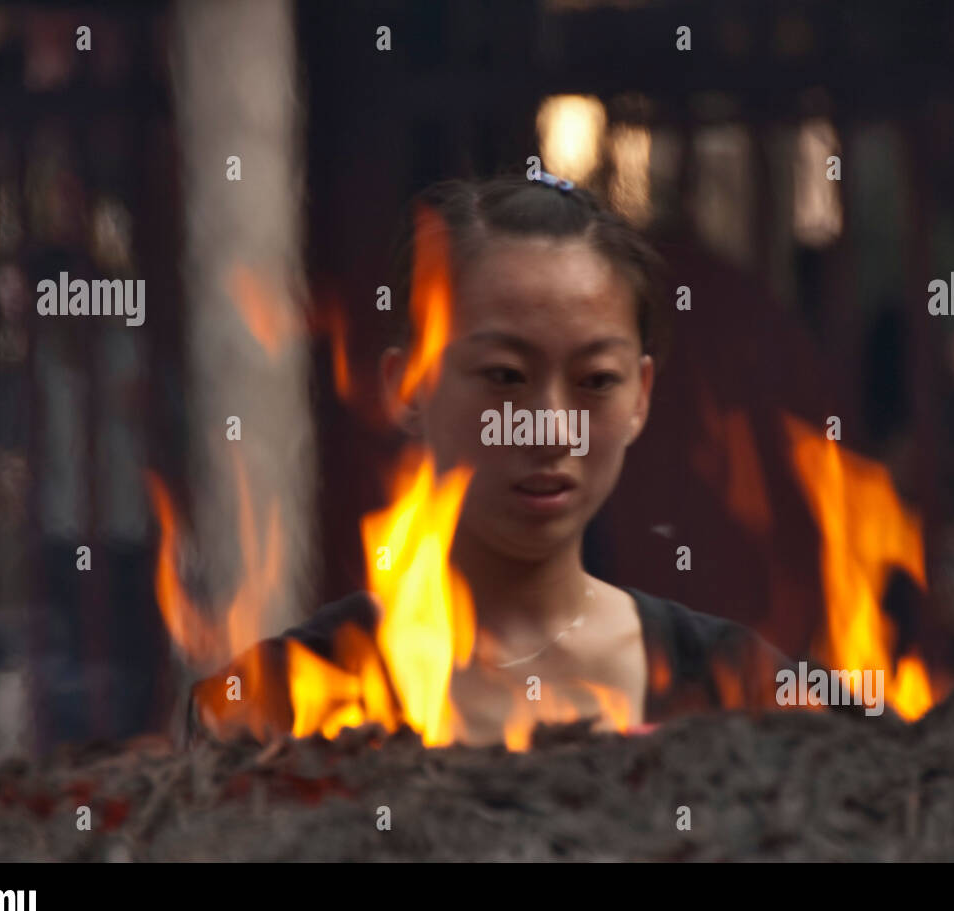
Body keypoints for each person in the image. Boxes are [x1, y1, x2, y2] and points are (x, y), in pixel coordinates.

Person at [192, 173, 787, 746]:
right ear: (408, 387)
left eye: (597, 380)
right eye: (504, 376)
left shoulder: (744, 693)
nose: (551, 430)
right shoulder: (282, 702)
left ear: (641, 397)